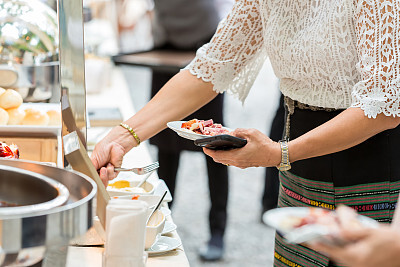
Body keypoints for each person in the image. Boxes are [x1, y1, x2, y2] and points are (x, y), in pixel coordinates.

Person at [91, 1, 400, 266]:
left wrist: (281, 153)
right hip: (299, 166)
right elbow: (211, 67)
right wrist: (119, 139)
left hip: (369, 163)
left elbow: (386, 105)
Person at [148, 0, 233, 261]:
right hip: (165, 42)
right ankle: (160, 224)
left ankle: (217, 230)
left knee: (214, 140)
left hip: (206, 40)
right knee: (166, 142)